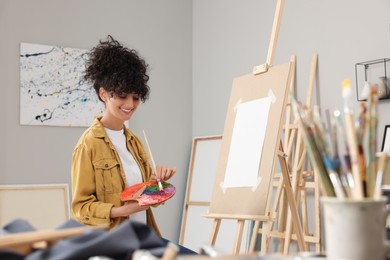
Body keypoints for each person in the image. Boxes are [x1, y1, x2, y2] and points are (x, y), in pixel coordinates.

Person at [71, 35, 176, 236]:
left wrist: (157, 183)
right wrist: (121, 211)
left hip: (144, 237)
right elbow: (80, 208)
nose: (130, 104)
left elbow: (146, 198)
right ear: (104, 94)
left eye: (136, 97)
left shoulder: (134, 142)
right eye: (121, 96)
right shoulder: (88, 145)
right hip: (115, 243)